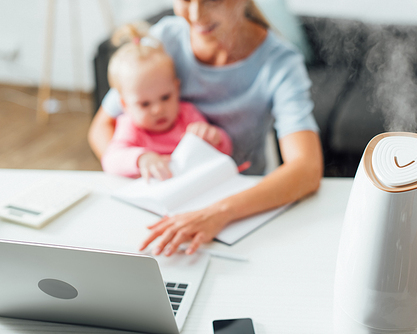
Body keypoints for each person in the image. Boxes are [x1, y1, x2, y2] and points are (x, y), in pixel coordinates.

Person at [88, 0, 323, 256]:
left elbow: (306, 169)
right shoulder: (162, 41)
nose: (196, 15)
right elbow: (102, 126)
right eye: (186, 0)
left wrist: (219, 212)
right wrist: (138, 176)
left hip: (237, 209)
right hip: (160, 198)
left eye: (212, 0)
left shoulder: (280, 64)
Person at [102, 23, 232, 180]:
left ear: (177, 89)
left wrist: (215, 137)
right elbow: (110, 160)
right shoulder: (130, 126)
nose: (158, 109)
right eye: (145, 104)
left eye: (165, 97)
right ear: (124, 105)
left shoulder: (187, 115)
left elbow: (225, 152)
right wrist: (142, 159)